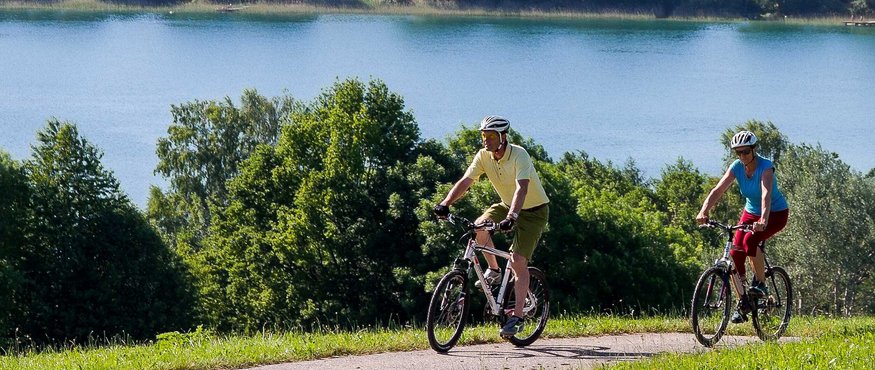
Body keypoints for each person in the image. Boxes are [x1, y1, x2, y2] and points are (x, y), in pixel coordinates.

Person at [433, 115, 550, 337]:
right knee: (478, 226)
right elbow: (466, 181)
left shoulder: (519, 155)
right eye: (483, 136)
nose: (485, 140)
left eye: (490, 136)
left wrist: (512, 217)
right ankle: (494, 270)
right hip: (506, 205)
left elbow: (521, 189)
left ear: (503, 137)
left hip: (533, 212)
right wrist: (445, 203)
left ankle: (516, 317)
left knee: (517, 261)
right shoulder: (483, 156)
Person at [696, 130, 790, 323]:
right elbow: (718, 189)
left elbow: (766, 195)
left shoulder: (766, 167)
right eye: (738, 153)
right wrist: (704, 211)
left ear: (754, 149)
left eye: (745, 152)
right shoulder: (737, 167)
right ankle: (744, 301)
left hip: (775, 213)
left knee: (750, 241)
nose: (742, 156)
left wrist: (763, 220)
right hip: (750, 212)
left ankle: (761, 284)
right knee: (736, 253)